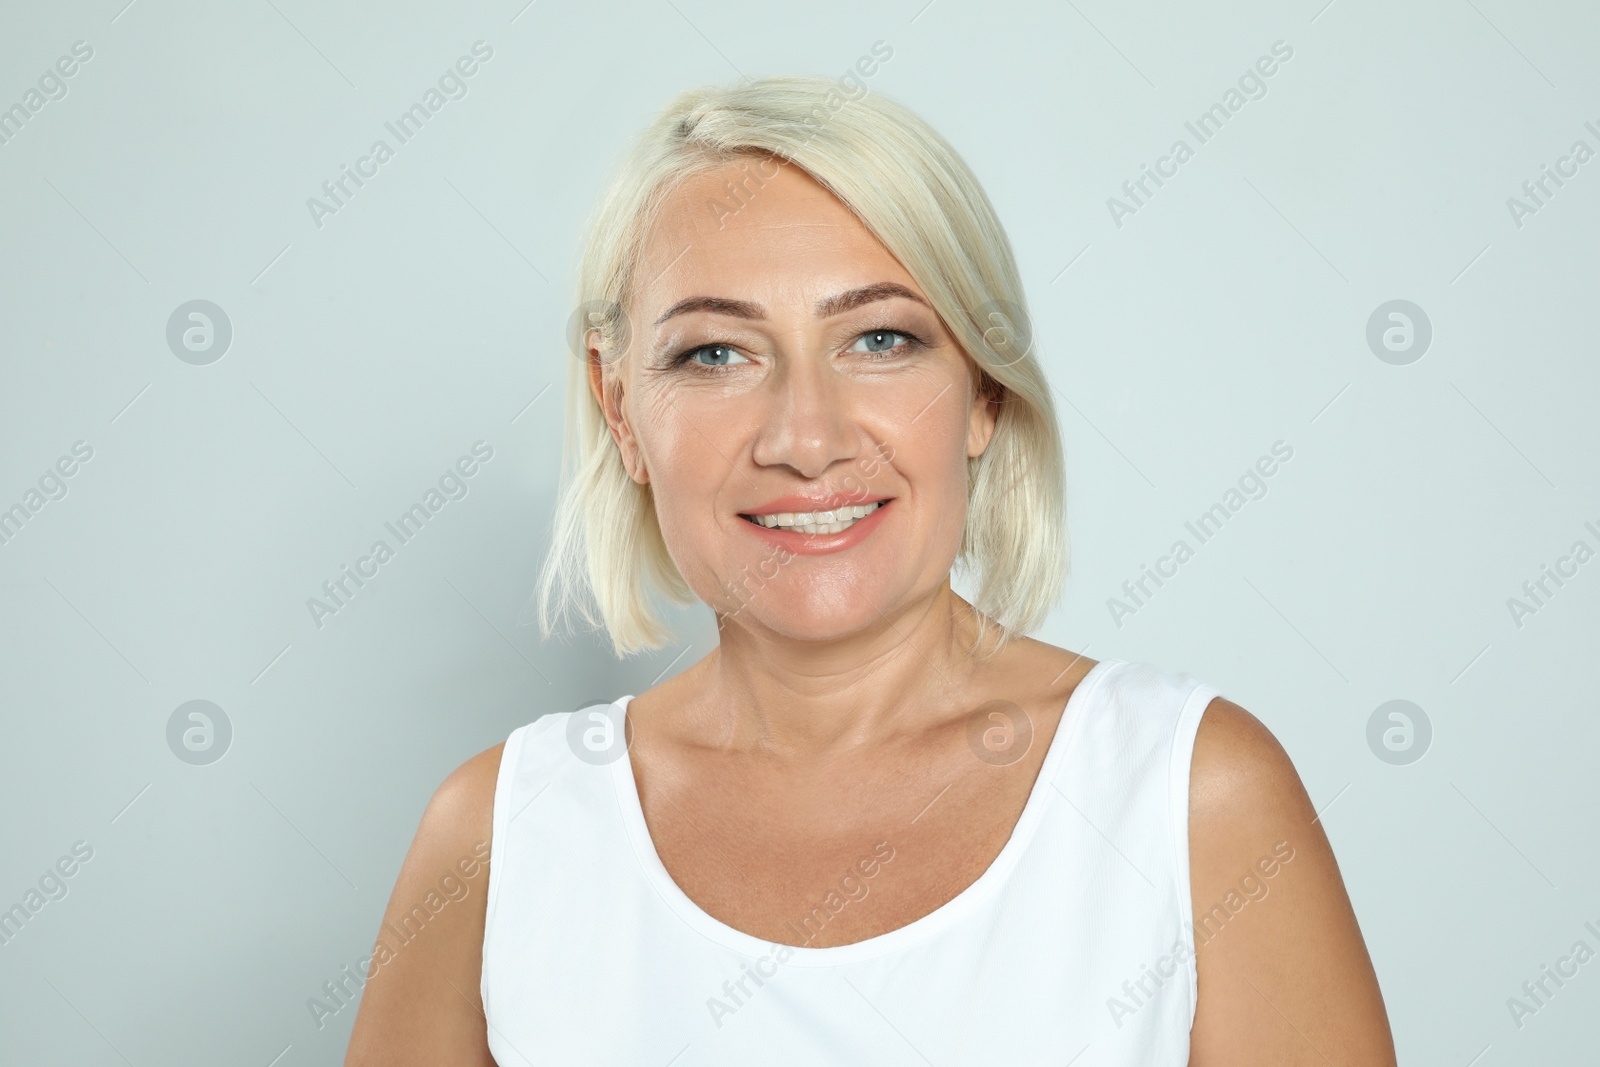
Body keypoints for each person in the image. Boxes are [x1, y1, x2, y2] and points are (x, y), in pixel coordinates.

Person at [345, 74, 1396, 1065]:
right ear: (620, 408)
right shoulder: (495, 837)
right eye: (715, 353)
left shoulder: (1190, 799)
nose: (805, 435)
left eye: (880, 338)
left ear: (983, 392)